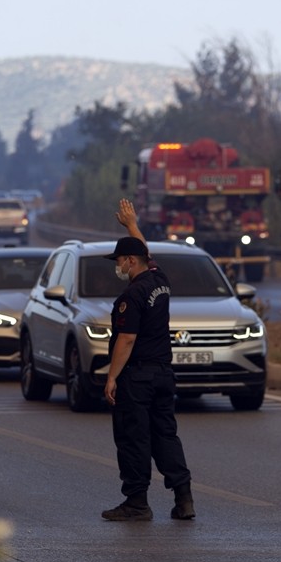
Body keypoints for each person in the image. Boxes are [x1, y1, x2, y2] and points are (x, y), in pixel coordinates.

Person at [100, 198, 194, 522]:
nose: (117, 266)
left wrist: (112, 377)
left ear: (130, 261)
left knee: (133, 438)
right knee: (165, 435)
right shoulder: (160, 281)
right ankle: (184, 499)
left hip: (137, 378)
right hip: (163, 375)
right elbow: (147, 254)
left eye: (119, 260)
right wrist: (131, 225)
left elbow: (127, 339)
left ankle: (137, 503)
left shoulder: (131, 295)